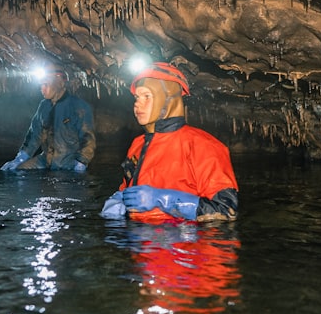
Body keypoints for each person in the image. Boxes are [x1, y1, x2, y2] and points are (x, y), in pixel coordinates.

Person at [101, 62, 238, 221]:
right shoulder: (137, 145)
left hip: (186, 240)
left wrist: (166, 200)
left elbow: (227, 210)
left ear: (169, 100)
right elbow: (127, 187)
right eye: (137, 97)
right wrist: (118, 199)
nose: (138, 104)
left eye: (147, 96)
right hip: (139, 239)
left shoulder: (204, 146)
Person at [0, 65, 96, 172]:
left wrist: (81, 162)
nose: (42, 89)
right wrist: (20, 158)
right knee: (15, 171)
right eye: (41, 85)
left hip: (68, 162)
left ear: (60, 83)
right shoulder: (44, 106)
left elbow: (88, 139)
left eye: (46, 84)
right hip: (46, 160)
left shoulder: (79, 107)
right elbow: (34, 135)